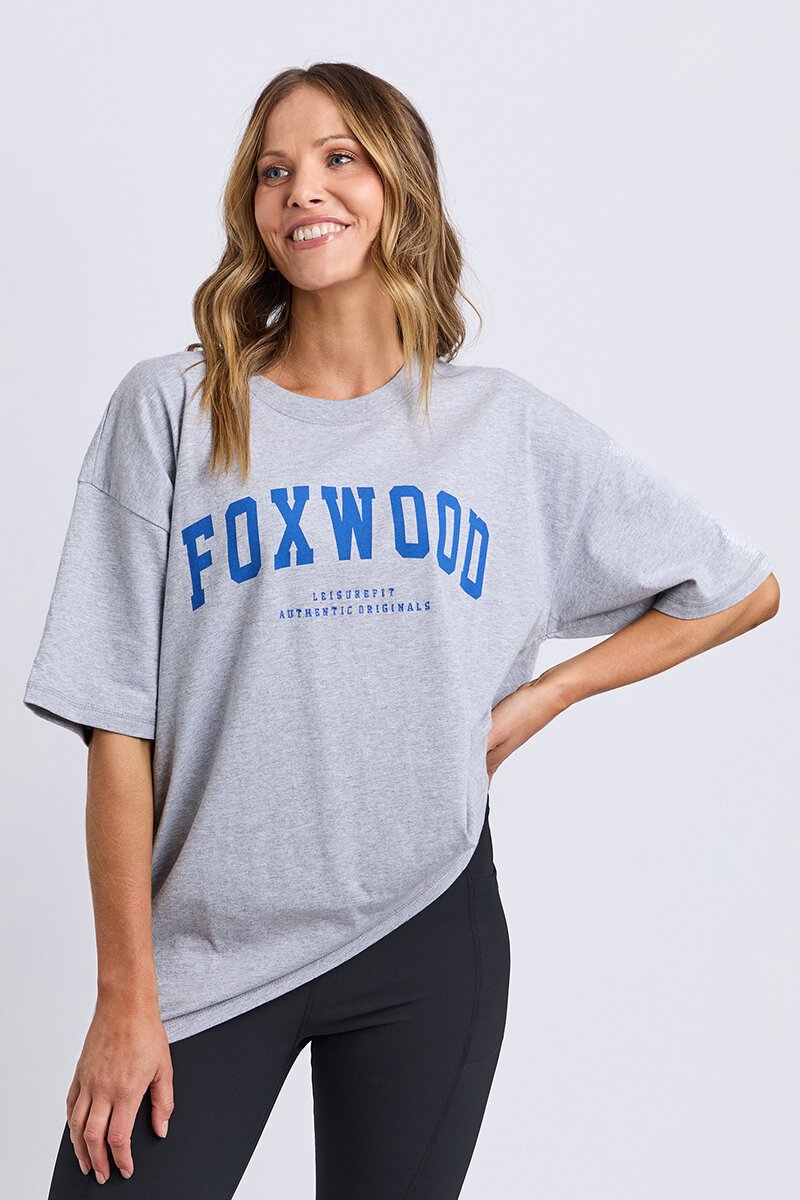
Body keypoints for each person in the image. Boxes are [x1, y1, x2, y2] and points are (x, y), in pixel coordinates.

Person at [23, 62, 779, 1199]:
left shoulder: (498, 429)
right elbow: (114, 718)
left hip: (426, 929)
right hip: (204, 954)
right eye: (273, 171)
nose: (302, 190)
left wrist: (543, 696)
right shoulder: (172, 409)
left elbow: (737, 588)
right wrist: (126, 996)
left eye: (339, 159)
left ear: (399, 186)